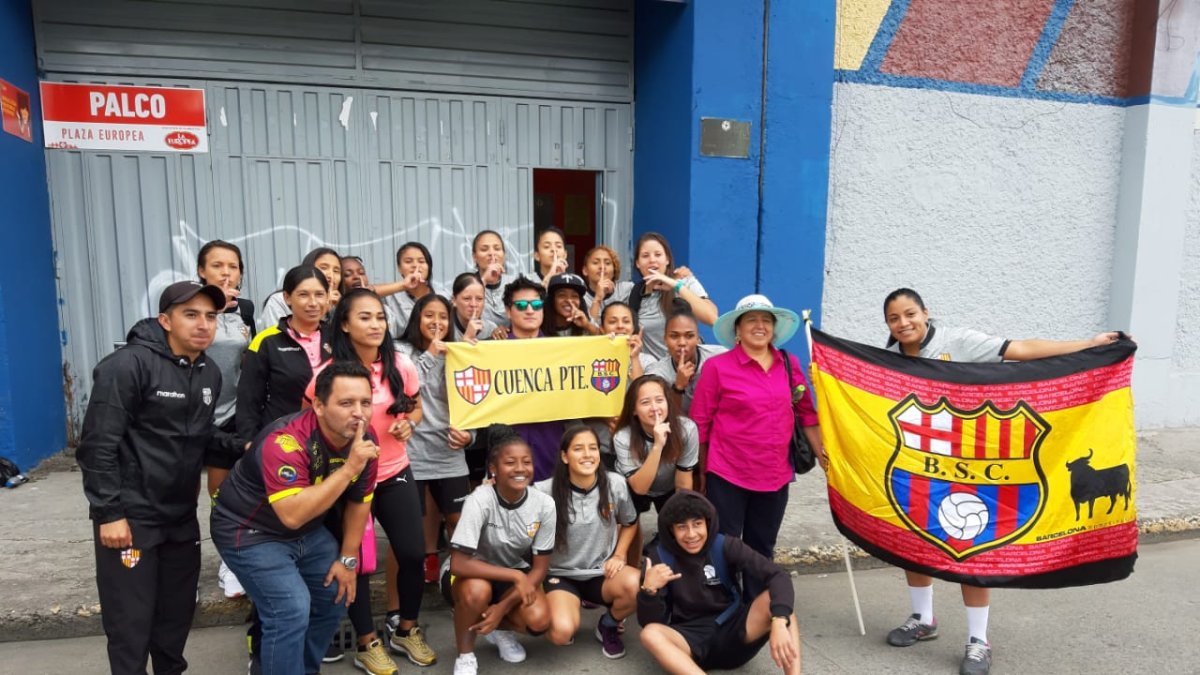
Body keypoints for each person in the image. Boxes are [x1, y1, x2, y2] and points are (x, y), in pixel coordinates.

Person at [877, 287, 1127, 675]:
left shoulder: (958, 341)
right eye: (894, 318)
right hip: (919, 461)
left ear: (926, 312)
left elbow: (1021, 349)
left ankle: (979, 641)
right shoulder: (888, 359)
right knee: (916, 538)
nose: (903, 323)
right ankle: (922, 618)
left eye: (910, 313)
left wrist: (1088, 345)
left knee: (971, 547)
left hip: (974, 462)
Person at [77, 280, 226, 675]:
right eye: (190, 315)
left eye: (210, 316)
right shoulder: (129, 365)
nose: (203, 325)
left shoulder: (207, 371)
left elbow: (200, 438)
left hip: (179, 518)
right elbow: (97, 445)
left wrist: (246, 447)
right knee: (131, 625)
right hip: (131, 518)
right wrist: (109, 512)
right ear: (165, 320)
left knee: (175, 619)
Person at [211, 362, 379, 675]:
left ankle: (297, 669)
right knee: (290, 610)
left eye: (365, 403)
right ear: (318, 405)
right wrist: (349, 468)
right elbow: (291, 515)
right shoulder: (285, 442)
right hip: (250, 530)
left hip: (308, 531)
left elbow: (360, 503)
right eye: (346, 403)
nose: (359, 413)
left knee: (335, 596)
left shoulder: (364, 440)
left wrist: (347, 561)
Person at [307, 288, 431, 673]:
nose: (376, 324)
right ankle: (365, 641)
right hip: (347, 481)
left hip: (394, 471)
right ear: (344, 324)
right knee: (354, 562)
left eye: (380, 317)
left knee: (413, 553)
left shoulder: (401, 364)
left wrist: (409, 423)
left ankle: (406, 629)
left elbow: (416, 407)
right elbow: (309, 424)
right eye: (365, 317)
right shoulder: (327, 375)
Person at [690, 295, 821, 561]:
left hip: (775, 475)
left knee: (762, 548)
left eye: (766, 320)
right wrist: (700, 473)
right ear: (738, 329)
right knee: (724, 546)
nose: (759, 326)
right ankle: (726, 601)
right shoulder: (717, 367)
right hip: (727, 473)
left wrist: (825, 457)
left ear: (773, 328)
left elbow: (807, 413)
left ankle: (757, 600)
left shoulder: (788, 363)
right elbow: (700, 424)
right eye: (751, 320)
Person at [637, 490, 802, 675]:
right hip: (688, 640)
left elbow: (778, 576)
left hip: (734, 632)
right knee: (650, 633)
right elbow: (649, 622)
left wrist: (779, 622)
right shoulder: (658, 557)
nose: (691, 534)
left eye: (697, 524)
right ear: (671, 531)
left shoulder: (725, 545)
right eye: (682, 527)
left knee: (782, 606)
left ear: (708, 524)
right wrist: (648, 590)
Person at [394, 293, 476, 637]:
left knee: (460, 523)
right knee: (406, 531)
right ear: (417, 317)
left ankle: (459, 588)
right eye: (430, 315)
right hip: (410, 451)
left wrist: (469, 435)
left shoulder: (459, 352)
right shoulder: (402, 352)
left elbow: (476, 401)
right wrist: (431, 354)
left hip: (449, 452)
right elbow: (406, 388)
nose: (437, 322)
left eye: (443, 316)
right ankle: (396, 611)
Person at [447, 425, 555, 675]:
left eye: (526, 462)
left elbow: (539, 569)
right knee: (477, 591)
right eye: (510, 462)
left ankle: (497, 629)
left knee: (539, 620)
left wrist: (502, 609)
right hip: (470, 575)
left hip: (510, 573)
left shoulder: (544, 504)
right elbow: (458, 564)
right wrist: (517, 577)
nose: (519, 469)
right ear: (493, 469)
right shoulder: (480, 499)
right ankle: (465, 654)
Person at [535, 425, 640, 658]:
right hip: (560, 575)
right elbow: (513, 503)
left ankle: (608, 625)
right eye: (578, 449)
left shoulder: (615, 483)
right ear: (564, 456)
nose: (587, 454)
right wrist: (492, 488)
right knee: (560, 633)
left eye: (593, 448)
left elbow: (630, 522)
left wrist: (620, 555)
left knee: (636, 585)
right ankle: (565, 609)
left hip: (601, 572)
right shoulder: (543, 492)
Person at [196, 240, 257, 600]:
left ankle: (230, 560)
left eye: (232, 266)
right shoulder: (191, 306)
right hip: (195, 412)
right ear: (202, 271)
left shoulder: (245, 309)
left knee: (229, 492)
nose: (226, 272)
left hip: (234, 412)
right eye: (217, 265)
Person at [237, 265, 333, 444]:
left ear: (328, 297)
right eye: (303, 294)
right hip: (283, 440)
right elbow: (248, 399)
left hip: (331, 439)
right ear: (287, 298)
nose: (313, 303)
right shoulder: (266, 341)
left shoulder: (338, 338)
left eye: (319, 294)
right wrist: (249, 441)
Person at [499, 276, 566, 480]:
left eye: (536, 305)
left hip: (551, 454)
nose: (530, 310)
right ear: (508, 311)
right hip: (505, 457)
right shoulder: (491, 352)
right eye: (521, 305)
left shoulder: (562, 352)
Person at [613, 233, 717, 362]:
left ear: (667, 259)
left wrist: (675, 285)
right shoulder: (629, 292)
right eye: (645, 256)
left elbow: (712, 318)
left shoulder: (685, 282)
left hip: (686, 370)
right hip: (652, 375)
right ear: (638, 263)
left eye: (658, 254)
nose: (652, 260)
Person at [613, 374, 699, 516]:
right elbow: (639, 488)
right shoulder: (623, 437)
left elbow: (683, 484)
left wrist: (679, 519)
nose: (654, 408)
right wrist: (657, 446)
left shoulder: (686, 429)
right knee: (629, 522)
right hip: (633, 486)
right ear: (634, 409)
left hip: (669, 487)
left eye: (659, 400)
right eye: (645, 402)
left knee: (676, 521)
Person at [645, 307, 725, 416]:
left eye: (689, 336)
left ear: (698, 338)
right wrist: (678, 387)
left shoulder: (720, 357)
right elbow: (661, 417)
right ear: (665, 340)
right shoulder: (656, 372)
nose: (682, 342)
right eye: (674, 336)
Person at [259, 247, 342, 330]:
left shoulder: (339, 304)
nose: (331, 276)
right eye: (324, 268)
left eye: (336, 271)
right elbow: (277, 340)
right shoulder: (279, 301)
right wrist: (322, 310)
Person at [380, 241, 438, 337]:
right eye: (408, 261)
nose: (415, 265)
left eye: (421, 261)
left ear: (429, 266)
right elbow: (363, 293)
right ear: (399, 268)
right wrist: (403, 285)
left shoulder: (443, 295)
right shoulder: (389, 297)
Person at [472, 230, 518, 331]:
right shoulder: (466, 284)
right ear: (474, 257)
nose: (492, 253)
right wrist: (483, 280)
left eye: (497, 249)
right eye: (484, 249)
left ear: (504, 254)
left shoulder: (515, 284)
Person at [580, 245, 631, 324]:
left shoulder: (627, 289)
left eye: (607, 263)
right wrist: (597, 298)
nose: (602, 267)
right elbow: (588, 330)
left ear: (614, 270)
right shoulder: (581, 298)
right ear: (585, 270)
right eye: (595, 263)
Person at [600, 301, 647, 379]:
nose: (620, 326)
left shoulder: (647, 361)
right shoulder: (592, 359)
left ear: (633, 328)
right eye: (612, 322)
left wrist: (634, 358)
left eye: (626, 321)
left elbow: (641, 389)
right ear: (602, 329)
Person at [450, 271, 495, 343]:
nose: (473, 304)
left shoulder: (490, 329)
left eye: (479, 299)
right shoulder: (446, 328)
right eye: (467, 299)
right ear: (454, 300)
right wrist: (467, 337)